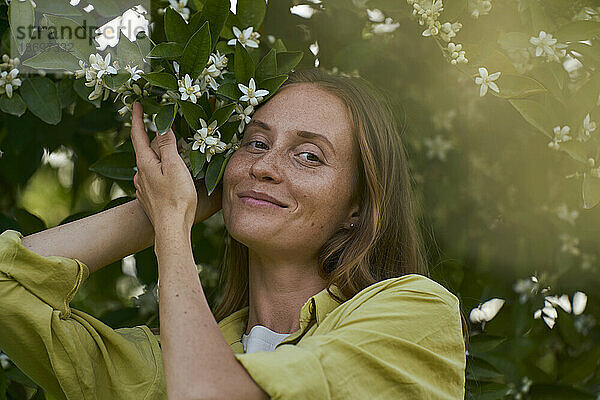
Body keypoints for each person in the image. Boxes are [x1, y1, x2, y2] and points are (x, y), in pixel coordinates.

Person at [0, 67, 468, 399]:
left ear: (357, 208)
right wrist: (161, 203)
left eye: (309, 156)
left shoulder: (416, 316)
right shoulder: (167, 362)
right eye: (255, 143)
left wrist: (171, 226)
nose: (263, 166)